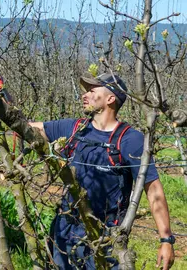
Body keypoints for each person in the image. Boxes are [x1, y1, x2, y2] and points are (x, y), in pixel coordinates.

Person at [28, 73, 175, 269]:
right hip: (66, 229)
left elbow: (153, 190)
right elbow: (31, 128)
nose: (85, 95)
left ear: (110, 98)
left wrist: (166, 240)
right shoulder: (74, 128)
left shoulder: (130, 140)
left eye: (92, 90)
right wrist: (2, 102)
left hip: (105, 237)